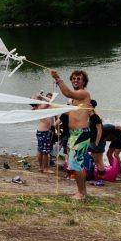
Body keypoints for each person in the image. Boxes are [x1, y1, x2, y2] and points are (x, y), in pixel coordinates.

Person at [51, 69, 92, 200]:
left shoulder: (83, 93)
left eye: (78, 79)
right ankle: (82, 191)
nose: (75, 80)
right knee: (76, 164)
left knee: (75, 164)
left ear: (84, 81)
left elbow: (67, 92)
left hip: (81, 134)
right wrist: (53, 107)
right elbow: (72, 114)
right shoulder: (74, 99)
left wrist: (57, 78)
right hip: (74, 134)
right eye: (73, 78)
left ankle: (81, 193)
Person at [31, 93, 54, 174]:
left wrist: (40, 98)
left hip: (40, 131)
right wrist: (41, 97)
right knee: (45, 151)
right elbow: (51, 101)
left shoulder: (37, 107)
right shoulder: (41, 106)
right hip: (44, 131)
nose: (38, 96)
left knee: (40, 150)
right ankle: (45, 169)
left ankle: (41, 167)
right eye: (36, 97)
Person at [88, 99, 105, 182]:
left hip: (98, 141)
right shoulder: (90, 117)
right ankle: (98, 178)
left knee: (99, 161)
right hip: (92, 141)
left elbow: (100, 130)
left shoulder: (95, 117)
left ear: (91, 106)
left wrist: (97, 143)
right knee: (96, 160)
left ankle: (101, 180)